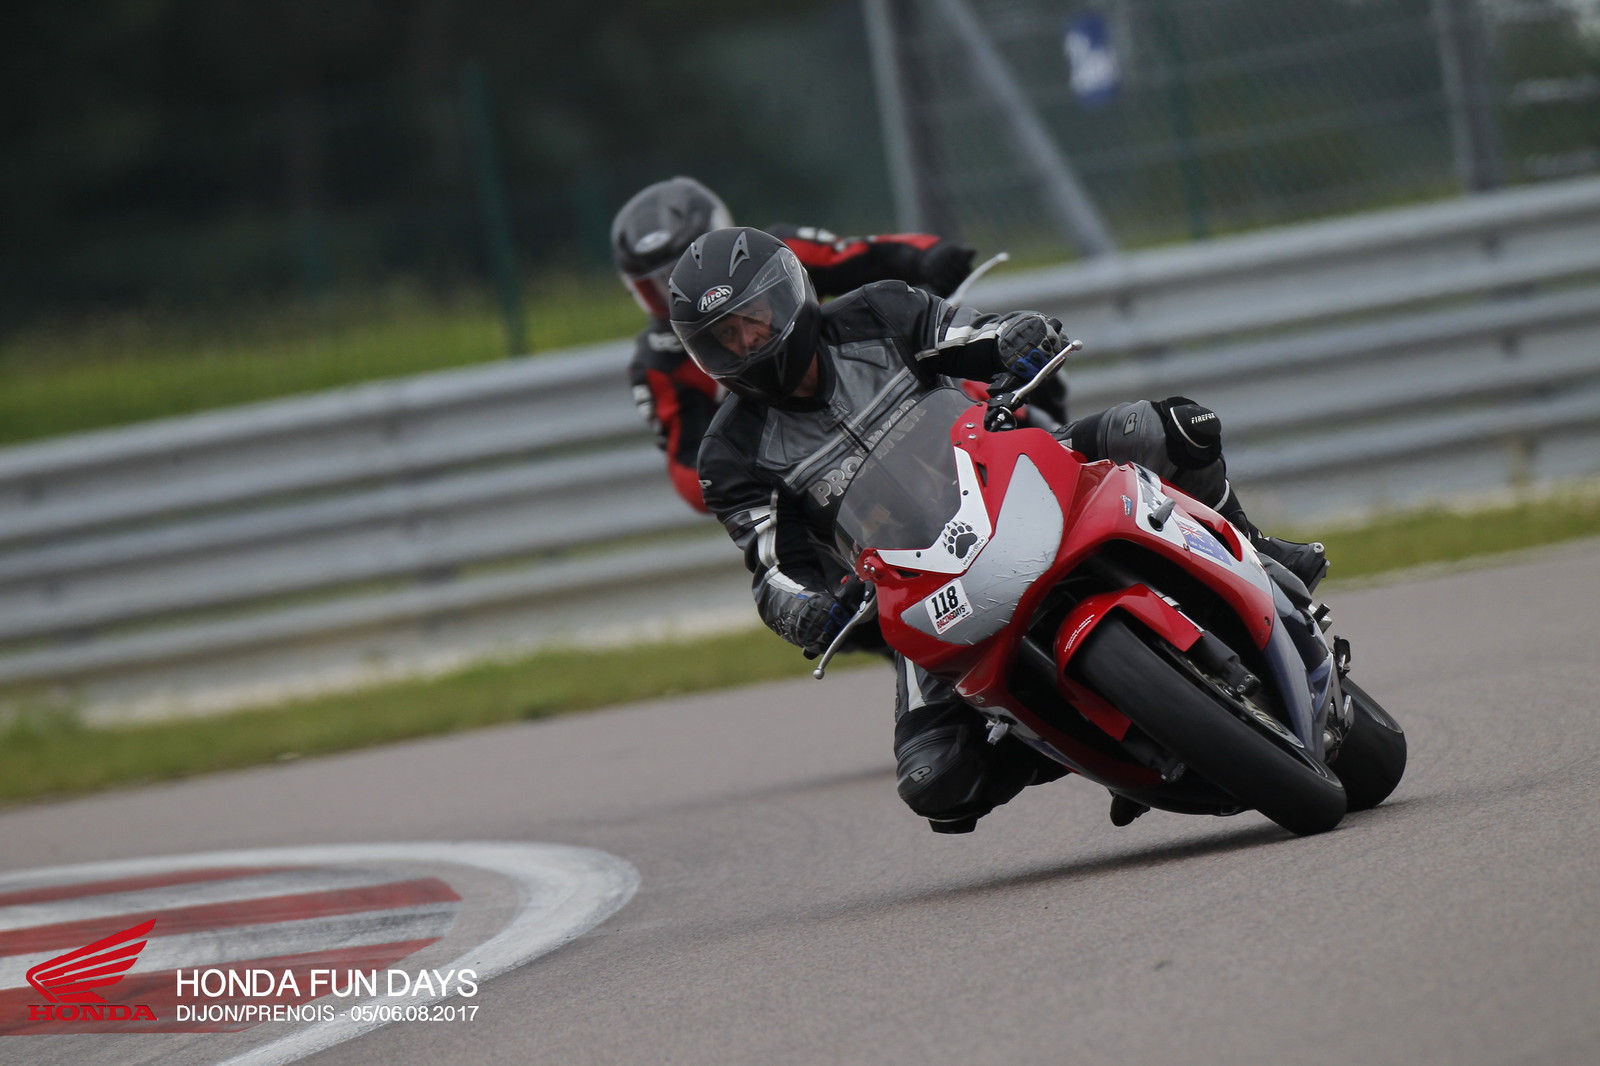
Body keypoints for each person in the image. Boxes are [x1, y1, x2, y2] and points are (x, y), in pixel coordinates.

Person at [670, 226, 1330, 835]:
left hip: (1014, 469)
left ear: (790, 297)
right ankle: (1088, 742)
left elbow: (967, 332)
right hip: (915, 577)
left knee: (1172, 428)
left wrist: (1013, 335)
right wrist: (807, 609)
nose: (747, 342)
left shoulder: (877, 313)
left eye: (754, 318)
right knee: (937, 779)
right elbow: (772, 569)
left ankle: (1252, 546)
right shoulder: (731, 454)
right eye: (725, 337)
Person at [611, 176, 1060, 512]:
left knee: (994, 366)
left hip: (882, 384)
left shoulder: (771, 254)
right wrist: (748, 474)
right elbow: (690, 466)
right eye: (658, 283)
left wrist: (927, 257)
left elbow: (860, 256)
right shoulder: (658, 364)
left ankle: (1049, 443)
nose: (686, 283)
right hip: (812, 460)